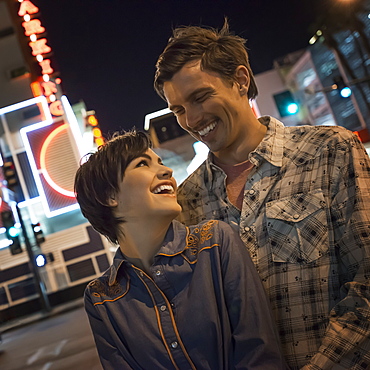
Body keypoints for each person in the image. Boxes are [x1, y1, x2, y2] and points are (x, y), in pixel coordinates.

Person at [154, 21, 370, 370]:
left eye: (200, 97)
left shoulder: (330, 150)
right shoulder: (187, 202)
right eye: (178, 110)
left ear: (240, 80)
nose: (192, 119)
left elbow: (366, 283)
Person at [74, 130, 286, 370]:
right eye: (142, 164)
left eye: (161, 162)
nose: (167, 171)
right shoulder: (102, 297)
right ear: (110, 195)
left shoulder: (215, 242)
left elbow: (259, 351)